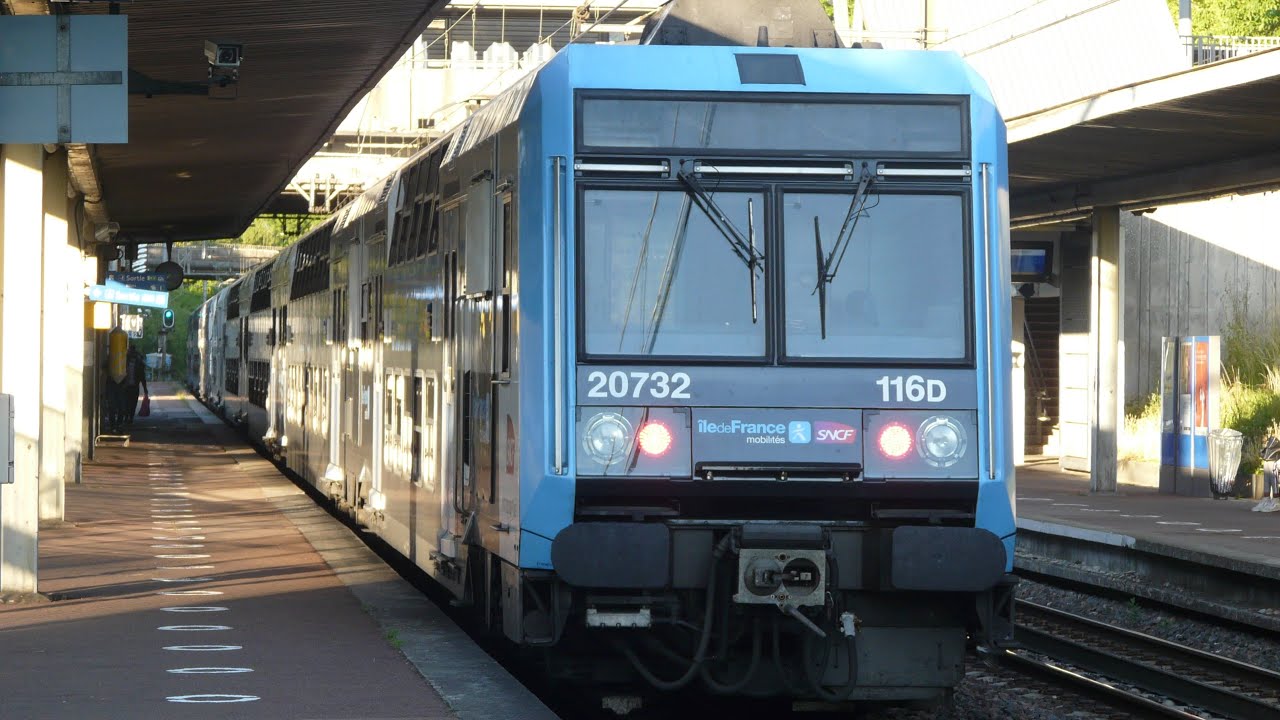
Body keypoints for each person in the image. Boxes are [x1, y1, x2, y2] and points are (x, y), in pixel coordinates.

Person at [123, 343, 149, 424]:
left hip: (128, 387)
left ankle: (129, 417)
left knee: (129, 403)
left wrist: (145, 389)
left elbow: (142, 377)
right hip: (130, 387)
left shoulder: (125, 362)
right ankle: (129, 417)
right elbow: (142, 377)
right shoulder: (138, 363)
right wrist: (145, 389)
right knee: (130, 403)